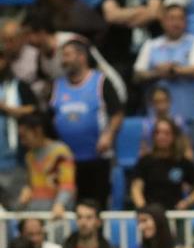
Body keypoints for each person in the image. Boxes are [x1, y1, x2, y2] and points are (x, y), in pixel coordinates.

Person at [50, 40, 124, 209]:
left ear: (82, 57)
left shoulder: (100, 81)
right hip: (67, 161)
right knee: (70, 207)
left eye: (67, 55)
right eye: (62, 56)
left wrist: (108, 135)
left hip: (97, 158)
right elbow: (50, 118)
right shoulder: (56, 85)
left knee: (97, 207)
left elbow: (117, 113)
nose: (63, 60)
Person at [100, 0, 166, 110]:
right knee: (125, 97)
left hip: (150, 52)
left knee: (154, 97)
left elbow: (154, 12)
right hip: (122, 53)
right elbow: (110, 15)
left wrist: (124, 16)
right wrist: (141, 10)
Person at [133, 4, 194, 120]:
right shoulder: (151, 45)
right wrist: (157, 73)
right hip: (157, 122)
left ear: (186, 22)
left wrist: (173, 70)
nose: (176, 23)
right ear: (163, 22)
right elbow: (138, 75)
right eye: (172, 18)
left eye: (180, 19)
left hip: (188, 117)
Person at [130, 119, 194, 211]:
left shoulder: (182, 162)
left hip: (174, 213)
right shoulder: (144, 161)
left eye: (166, 133)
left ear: (174, 136)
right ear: (153, 136)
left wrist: (186, 203)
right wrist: (144, 208)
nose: (161, 136)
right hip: (151, 214)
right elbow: (136, 188)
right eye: (157, 133)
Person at [0, 44, 37, 209]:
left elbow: (34, 109)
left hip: (15, 160)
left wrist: (8, 109)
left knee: (18, 208)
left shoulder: (18, 86)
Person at [17, 113, 75, 217]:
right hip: (36, 212)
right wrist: (27, 190)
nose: (22, 141)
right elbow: (30, 184)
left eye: (24, 136)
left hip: (56, 213)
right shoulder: (29, 156)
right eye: (20, 137)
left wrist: (60, 204)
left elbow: (67, 184)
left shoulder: (60, 152)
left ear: (38, 131)